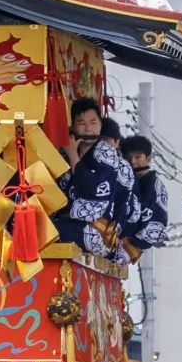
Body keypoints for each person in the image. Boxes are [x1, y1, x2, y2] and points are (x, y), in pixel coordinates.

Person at [61, 101, 142, 259]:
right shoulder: (70, 151)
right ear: (73, 127)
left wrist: (72, 155)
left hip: (96, 232)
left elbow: (94, 189)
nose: (88, 129)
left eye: (93, 122)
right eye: (81, 123)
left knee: (39, 233)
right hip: (76, 225)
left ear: (100, 124)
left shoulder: (107, 152)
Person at [119, 135, 172, 254]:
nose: (133, 162)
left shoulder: (155, 185)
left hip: (131, 244)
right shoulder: (128, 178)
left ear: (148, 158)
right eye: (128, 158)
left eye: (138, 157)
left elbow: (154, 221)